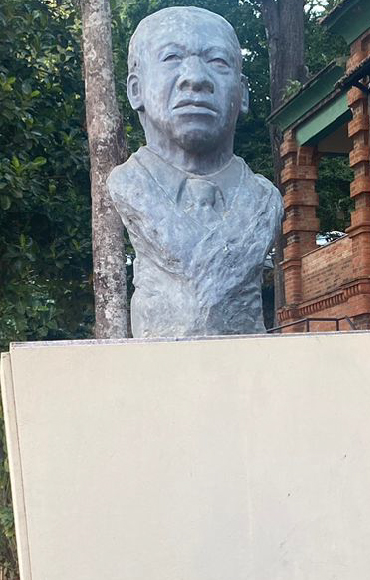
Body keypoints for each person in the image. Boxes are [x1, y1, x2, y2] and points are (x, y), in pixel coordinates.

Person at [110, 6, 282, 338]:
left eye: (217, 62)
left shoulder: (264, 202)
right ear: (136, 90)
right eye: (171, 57)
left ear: (243, 93)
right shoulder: (128, 185)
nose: (196, 78)